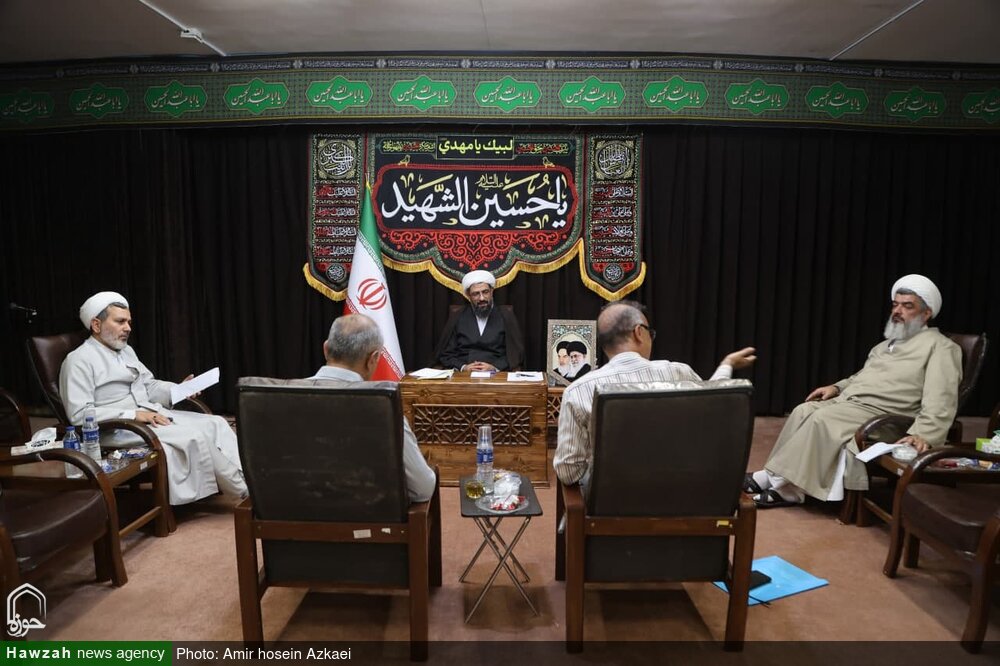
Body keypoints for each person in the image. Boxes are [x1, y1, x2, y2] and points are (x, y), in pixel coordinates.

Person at [747, 274, 962, 508]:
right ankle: (773, 476)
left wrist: (924, 434)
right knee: (802, 411)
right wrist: (837, 387)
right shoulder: (886, 345)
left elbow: (942, 397)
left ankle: (788, 489)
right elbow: (860, 377)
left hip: (886, 416)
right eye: (895, 305)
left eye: (907, 306)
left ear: (926, 313)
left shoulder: (941, 347)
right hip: (853, 404)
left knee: (822, 419)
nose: (897, 311)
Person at [59, 291, 246, 504]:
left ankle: (251, 477)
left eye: (129, 322)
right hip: (117, 429)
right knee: (195, 435)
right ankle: (245, 492)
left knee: (216, 423)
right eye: (120, 321)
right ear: (96, 324)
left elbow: (149, 385)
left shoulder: (126, 351)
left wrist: (178, 389)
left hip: (151, 416)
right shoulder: (78, 361)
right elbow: (79, 414)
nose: (128, 328)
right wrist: (134, 415)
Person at [554, 300, 756, 489]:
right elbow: (715, 401)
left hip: (611, 503)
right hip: (686, 494)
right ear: (639, 332)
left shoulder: (577, 391)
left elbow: (568, 472)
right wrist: (727, 365)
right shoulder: (678, 373)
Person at [307, 313, 436, 502]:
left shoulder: (276, 396)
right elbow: (423, 489)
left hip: (289, 516)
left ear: (326, 349)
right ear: (373, 359)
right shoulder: (384, 409)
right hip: (364, 516)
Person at [433, 270, 525, 372]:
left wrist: (494, 367)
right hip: (464, 374)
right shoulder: (458, 316)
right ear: (468, 296)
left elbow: (515, 352)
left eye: (485, 292)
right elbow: (446, 354)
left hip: (496, 374)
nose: (481, 298)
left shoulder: (505, 315)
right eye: (476, 294)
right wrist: (464, 367)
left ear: (491, 291)